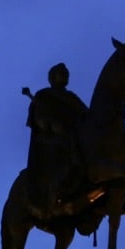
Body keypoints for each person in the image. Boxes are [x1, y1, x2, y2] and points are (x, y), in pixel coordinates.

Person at [24, 62, 88, 215]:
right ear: (53, 77)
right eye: (62, 72)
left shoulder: (71, 97)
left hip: (73, 134)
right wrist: (52, 124)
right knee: (67, 143)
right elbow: (38, 118)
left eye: (66, 72)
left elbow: (85, 113)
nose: (66, 75)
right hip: (50, 138)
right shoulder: (43, 95)